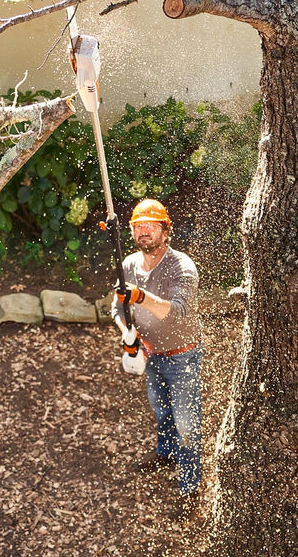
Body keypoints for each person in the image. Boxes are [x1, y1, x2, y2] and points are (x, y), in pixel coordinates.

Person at [111, 198, 203, 521]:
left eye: (151, 225)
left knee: (187, 425)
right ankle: (165, 454)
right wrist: (128, 334)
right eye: (138, 226)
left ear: (166, 230)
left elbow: (178, 313)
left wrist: (141, 296)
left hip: (182, 357)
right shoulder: (128, 266)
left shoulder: (181, 266)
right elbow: (117, 309)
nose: (144, 231)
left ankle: (191, 489)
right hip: (151, 354)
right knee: (160, 409)